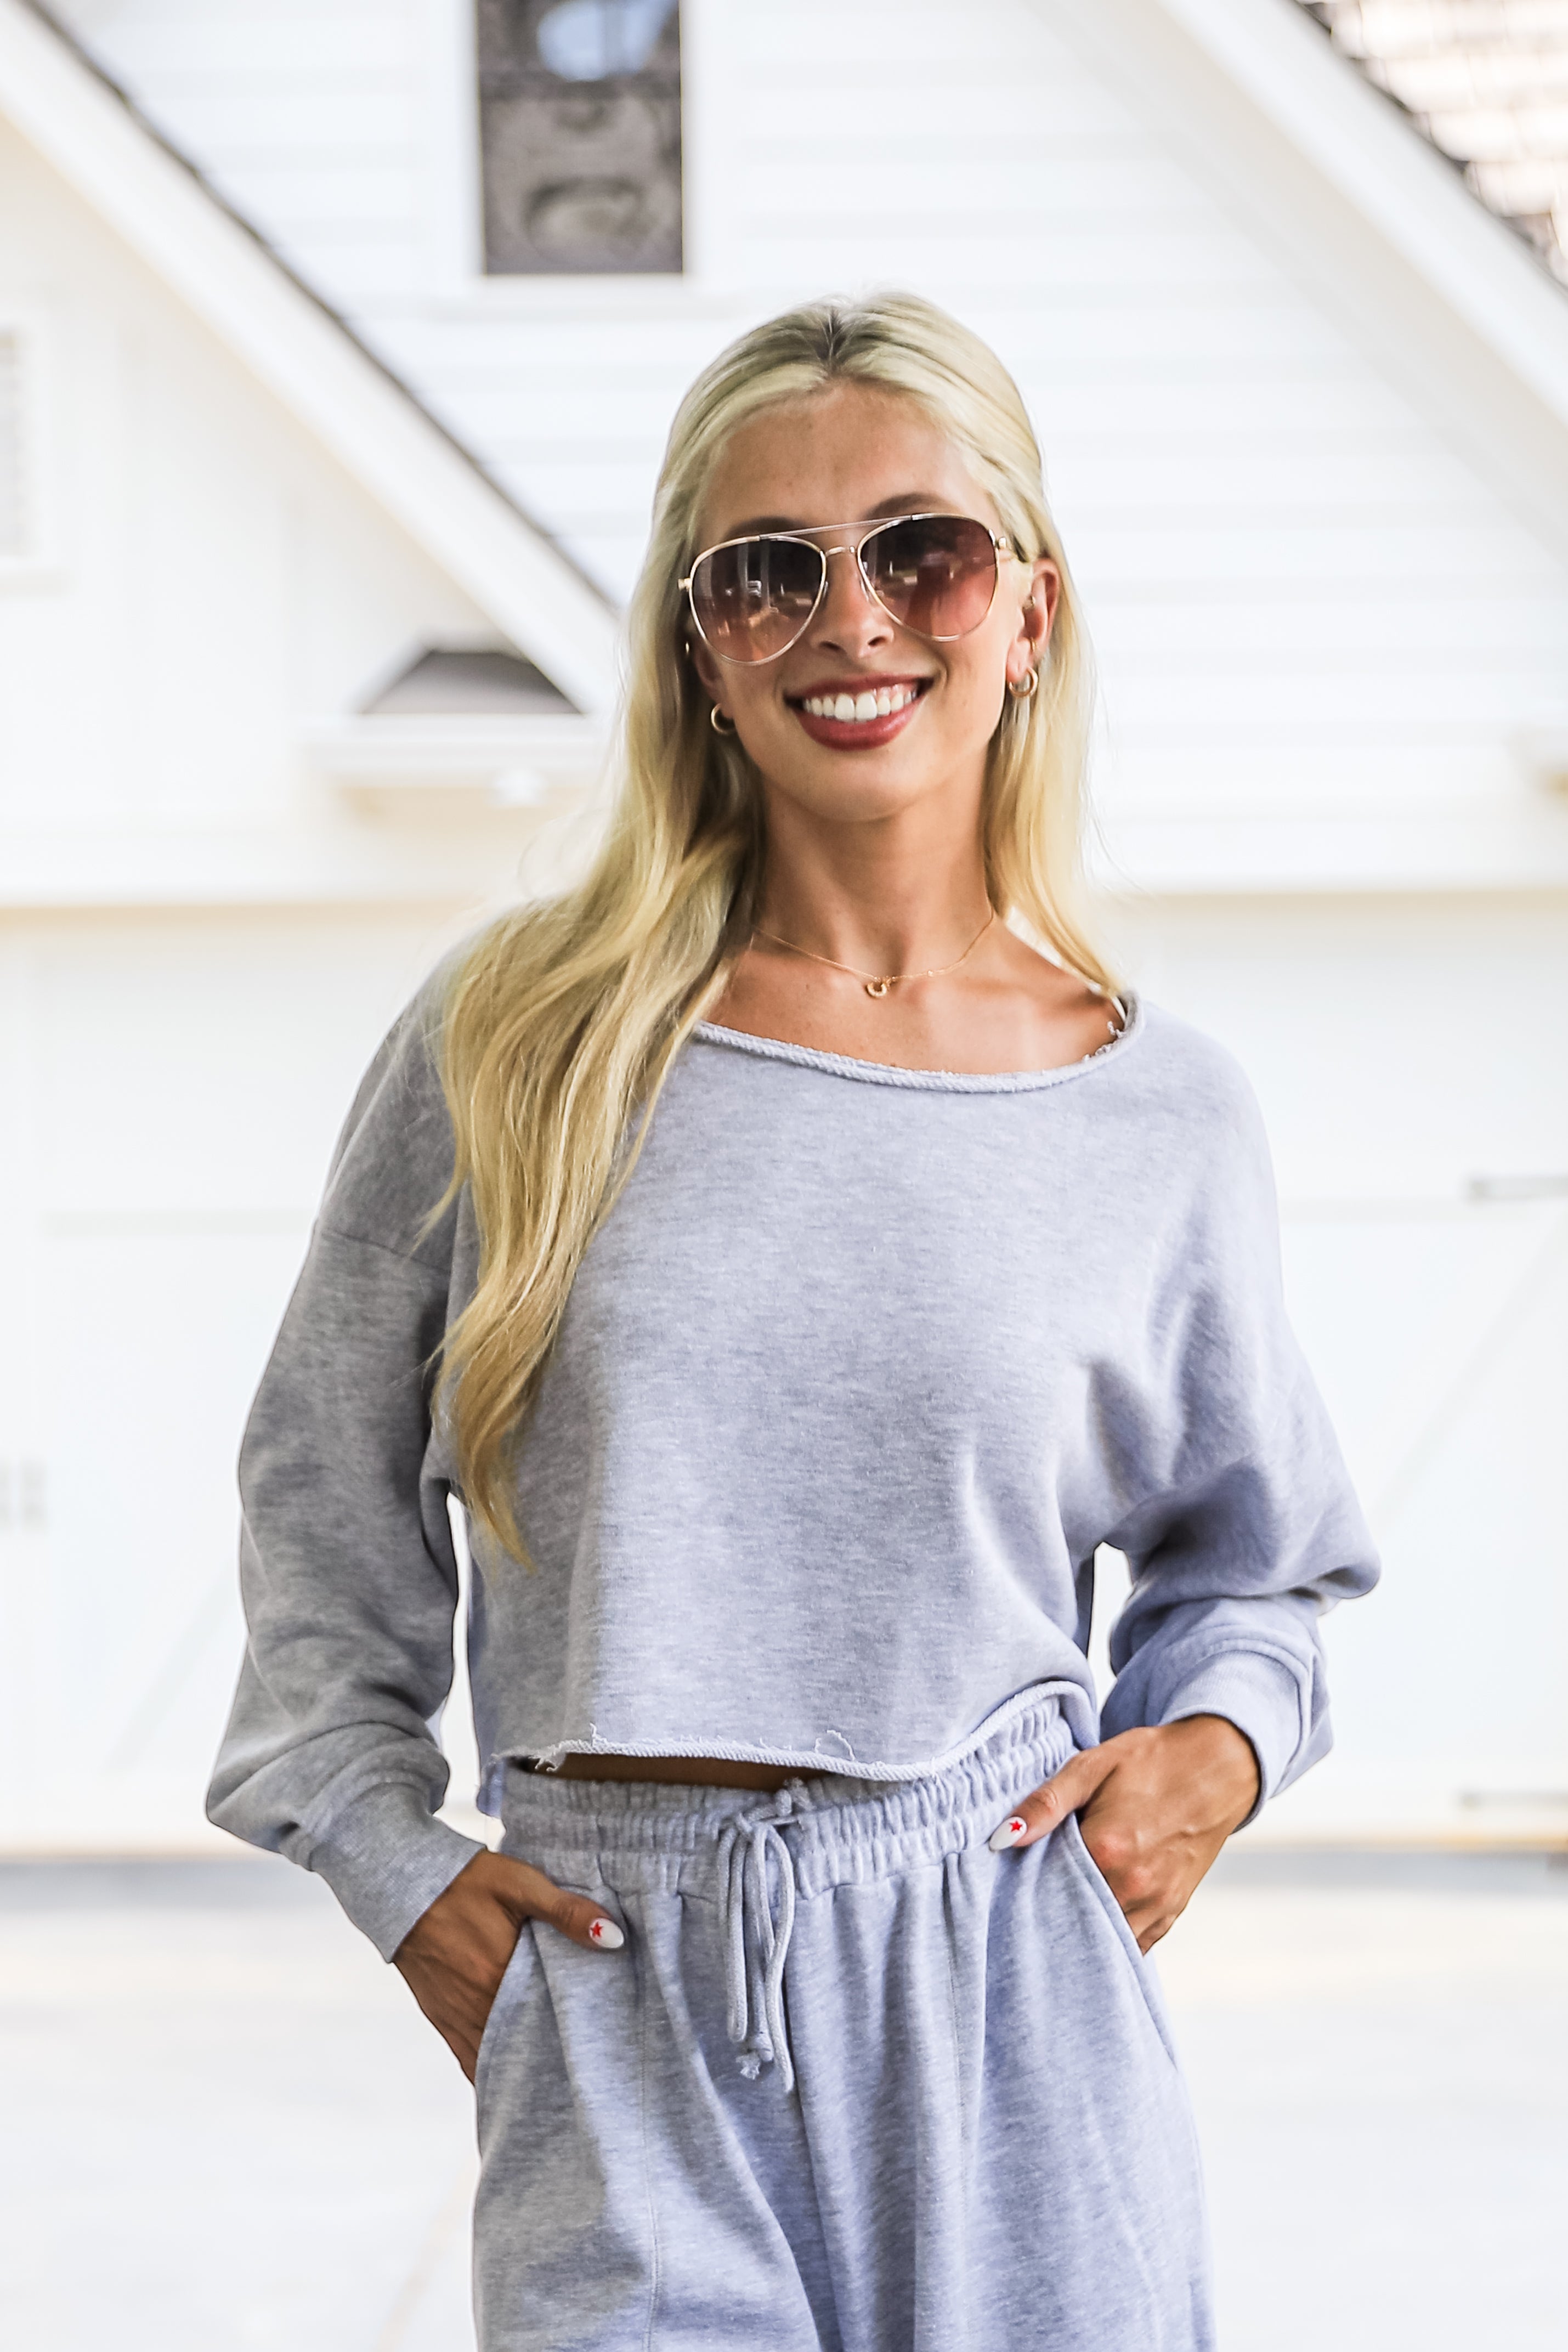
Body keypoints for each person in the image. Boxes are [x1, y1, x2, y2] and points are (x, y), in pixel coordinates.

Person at [208, 293, 1378, 2351]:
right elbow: (318, 1478)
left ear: (1025, 610)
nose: (852, 621)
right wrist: (380, 1843)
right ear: (700, 647)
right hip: (617, 1979)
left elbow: (1253, 1565)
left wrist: (1214, 1742)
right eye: (768, 572)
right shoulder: (519, 1042)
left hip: (1009, 1989)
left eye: (918, 551)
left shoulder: (1155, 1108)